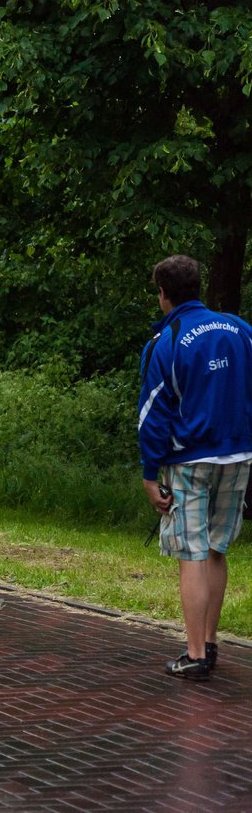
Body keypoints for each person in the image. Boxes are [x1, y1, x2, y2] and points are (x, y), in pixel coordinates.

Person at [138, 255, 252, 680]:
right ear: (198, 286)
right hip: (239, 454)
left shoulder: (168, 339)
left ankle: (194, 654)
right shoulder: (240, 330)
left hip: (189, 458)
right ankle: (210, 642)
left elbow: (154, 414)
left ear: (163, 293)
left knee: (193, 553)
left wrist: (151, 474)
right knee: (217, 549)